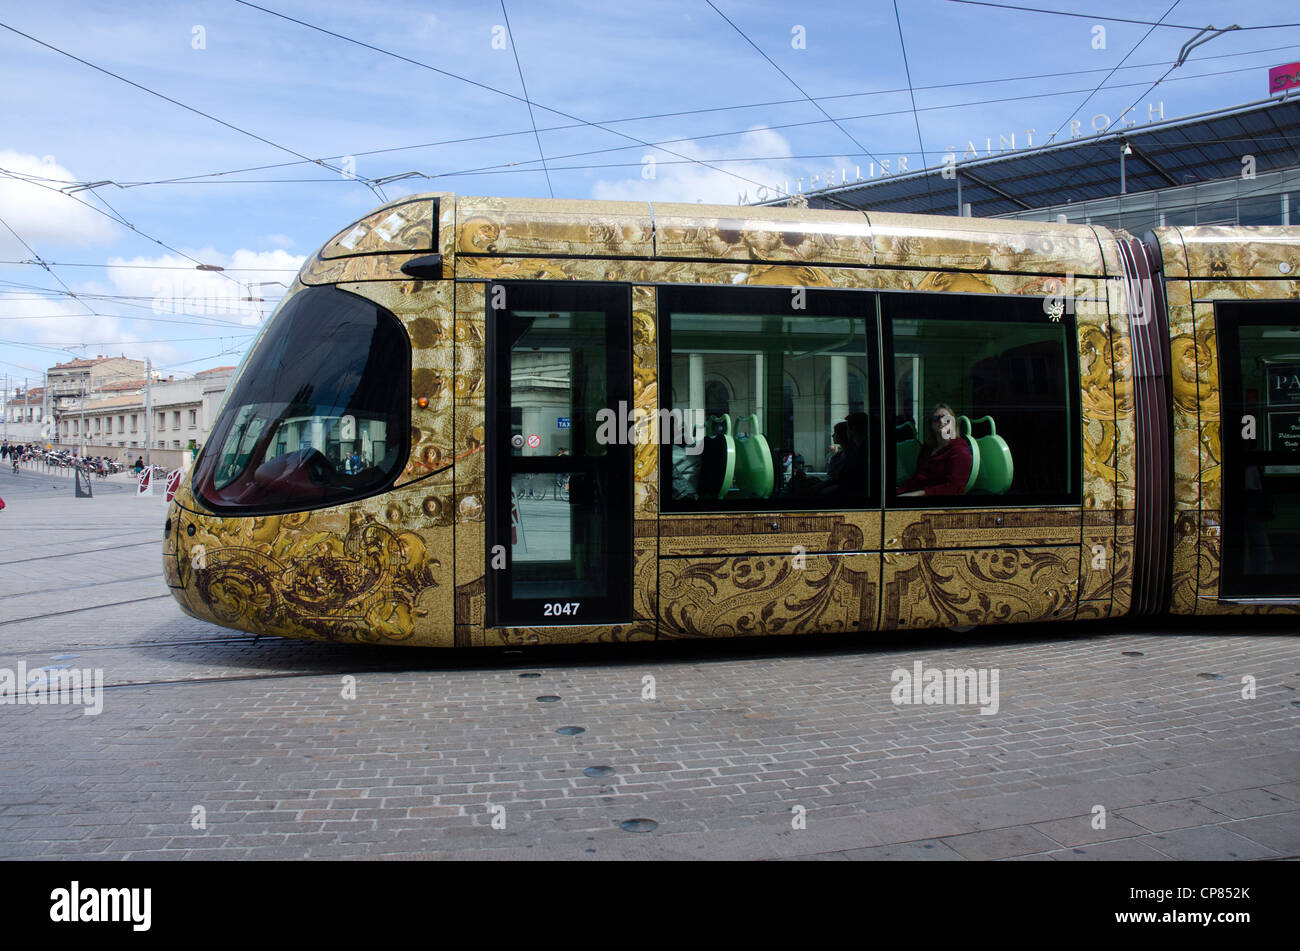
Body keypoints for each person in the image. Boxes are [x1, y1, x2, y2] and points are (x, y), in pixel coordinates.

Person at [898, 403, 973, 497]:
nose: (941, 421)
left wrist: (920, 493)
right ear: (931, 425)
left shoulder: (960, 451)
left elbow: (955, 488)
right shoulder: (927, 448)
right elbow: (918, 477)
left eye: (946, 418)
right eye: (936, 419)